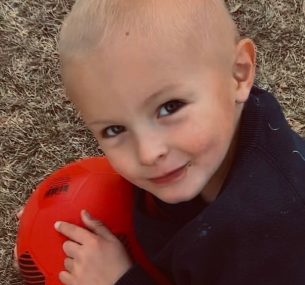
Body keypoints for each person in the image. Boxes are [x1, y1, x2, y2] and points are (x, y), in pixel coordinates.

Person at [17, 0, 305, 284]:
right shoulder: (205, 154)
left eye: (170, 107)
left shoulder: (274, 237)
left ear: (238, 74)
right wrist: (49, 222)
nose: (148, 153)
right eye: (115, 129)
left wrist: (120, 280)